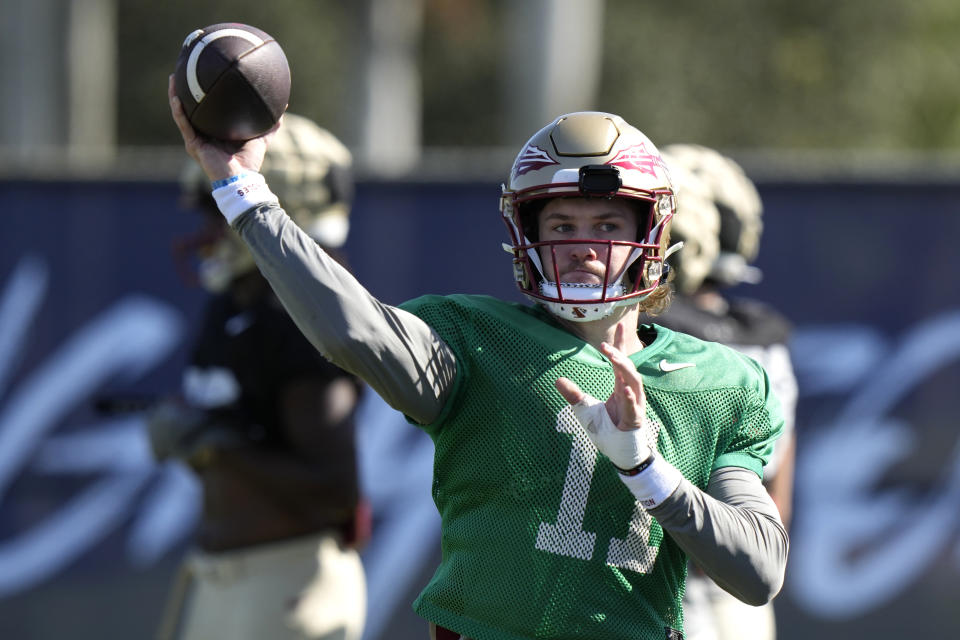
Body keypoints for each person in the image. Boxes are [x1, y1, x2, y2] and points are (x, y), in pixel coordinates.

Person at [169, 76, 788, 640]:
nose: (583, 248)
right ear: (527, 237)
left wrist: (647, 470)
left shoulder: (721, 380)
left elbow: (759, 571)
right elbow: (351, 331)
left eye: (604, 224)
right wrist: (243, 191)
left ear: (652, 235)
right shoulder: (476, 340)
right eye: (562, 226)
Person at [148, 112, 368, 640]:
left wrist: (217, 449)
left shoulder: (299, 315)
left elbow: (337, 490)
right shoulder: (232, 303)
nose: (204, 231)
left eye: (215, 208)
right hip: (219, 573)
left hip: (289, 579)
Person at [657, 144, 799, 640]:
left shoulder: (658, 336)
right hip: (740, 562)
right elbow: (779, 478)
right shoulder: (764, 335)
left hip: (670, 567)